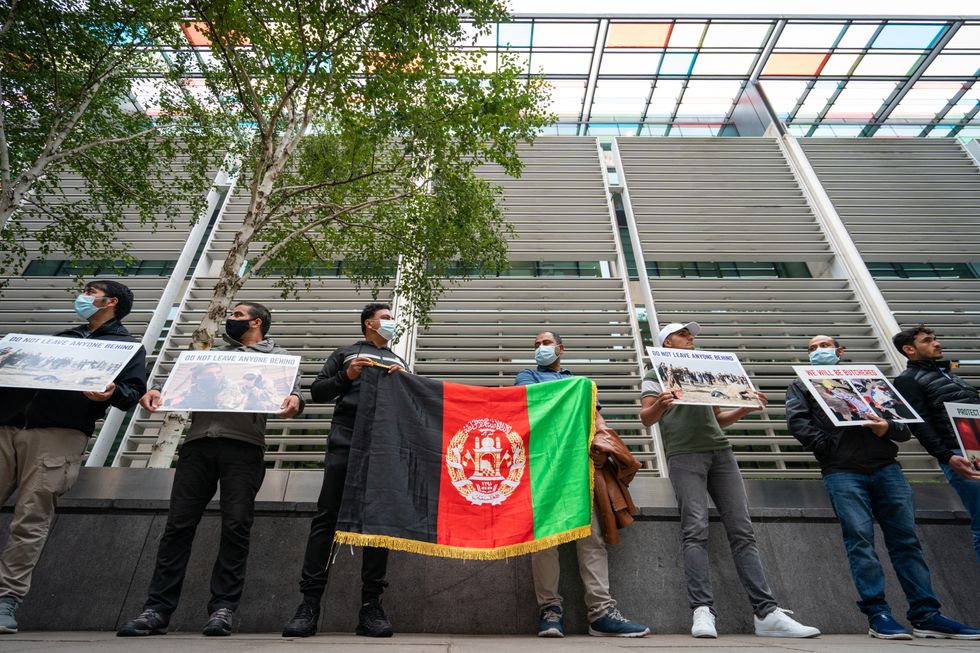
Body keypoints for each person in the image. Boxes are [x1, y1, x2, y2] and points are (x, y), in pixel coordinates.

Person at [117, 302, 303, 637]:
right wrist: (157, 391)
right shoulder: (207, 354)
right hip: (197, 445)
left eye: (236, 315)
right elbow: (170, 386)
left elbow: (293, 396)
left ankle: (223, 609)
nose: (230, 319)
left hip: (245, 448)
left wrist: (295, 402)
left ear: (256, 322)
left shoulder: (280, 359)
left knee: (236, 526)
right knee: (177, 527)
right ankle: (155, 610)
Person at [787, 334, 979, 640]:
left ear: (840, 350)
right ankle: (878, 613)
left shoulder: (869, 379)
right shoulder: (802, 384)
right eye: (811, 348)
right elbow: (798, 422)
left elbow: (903, 427)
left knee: (907, 542)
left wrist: (886, 427)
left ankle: (926, 614)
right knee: (860, 542)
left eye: (824, 346)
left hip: (887, 468)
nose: (818, 351)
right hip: (842, 471)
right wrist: (829, 447)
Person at [640, 322, 819, 640]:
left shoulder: (706, 371)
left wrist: (745, 408)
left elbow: (718, 419)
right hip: (684, 455)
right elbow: (646, 418)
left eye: (691, 333)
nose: (691, 337)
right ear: (667, 341)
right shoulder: (655, 374)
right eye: (683, 334)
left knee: (743, 531)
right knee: (694, 530)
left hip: (720, 453)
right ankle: (702, 610)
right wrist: (660, 403)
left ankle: (766, 613)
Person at [0, 280, 147, 634]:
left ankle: (7, 599)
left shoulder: (125, 346)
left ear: (110, 302)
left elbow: (130, 394)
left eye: (90, 291)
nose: (83, 296)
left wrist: (108, 394)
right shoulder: (58, 337)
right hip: (6, 427)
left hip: (59, 436)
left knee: (31, 518)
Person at [282, 303, 407, 639]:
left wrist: (405, 385)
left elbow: (410, 407)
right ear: (369, 323)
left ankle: (371, 606)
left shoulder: (400, 360)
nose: (393, 323)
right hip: (346, 440)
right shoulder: (345, 353)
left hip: (385, 447)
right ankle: (309, 604)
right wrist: (347, 375)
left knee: (379, 523)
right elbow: (318, 391)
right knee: (327, 519)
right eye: (387, 319)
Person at [514, 331, 649, 638]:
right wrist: (577, 395)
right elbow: (532, 406)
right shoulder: (528, 376)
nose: (540, 348)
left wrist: (603, 443)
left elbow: (597, 420)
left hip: (580, 467)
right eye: (535, 344)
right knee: (544, 540)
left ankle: (601, 613)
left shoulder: (582, 383)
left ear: (560, 348)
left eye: (545, 343)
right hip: (544, 467)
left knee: (592, 539)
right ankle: (550, 611)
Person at [892, 325, 980, 563]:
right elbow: (920, 425)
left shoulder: (949, 372)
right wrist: (947, 457)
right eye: (927, 341)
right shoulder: (907, 381)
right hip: (959, 454)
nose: (936, 343)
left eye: (935, 339)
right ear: (909, 349)